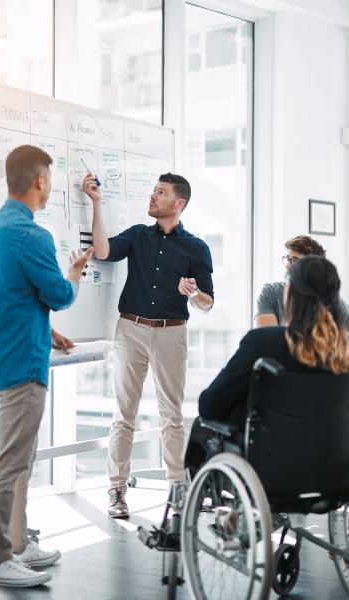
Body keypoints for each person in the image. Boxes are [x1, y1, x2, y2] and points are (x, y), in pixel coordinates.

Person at [0, 145, 93, 588]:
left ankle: (18, 544)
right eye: (50, 177)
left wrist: (51, 333)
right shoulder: (32, 236)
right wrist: (76, 272)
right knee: (9, 463)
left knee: (17, 461)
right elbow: (59, 294)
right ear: (40, 180)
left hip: (0, 353)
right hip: (21, 363)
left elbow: (7, 296)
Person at [83, 172, 214, 519]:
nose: (153, 197)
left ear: (179, 203)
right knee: (123, 414)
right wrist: (96, 203)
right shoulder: (139, 236)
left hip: (172, 332)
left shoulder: (196, 248)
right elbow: (103, 250)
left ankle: (178, 491)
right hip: (131, 330)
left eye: (161, 192)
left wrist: (193, 293)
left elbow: (207, 302)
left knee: (171, 415)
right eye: (154, 191)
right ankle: (116, 490)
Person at [184, 255, 349, 476]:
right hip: (335, 467)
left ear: (288, 293)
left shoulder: (262, 342)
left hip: (272, 466)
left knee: (203, 425)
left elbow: (209, 406)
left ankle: (186, 500)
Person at [255, 235, 349, 345]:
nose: (287, 265)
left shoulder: (333, 300)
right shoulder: (270, 292)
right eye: (287, 259)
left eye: (294, 261)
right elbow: (269, 343)